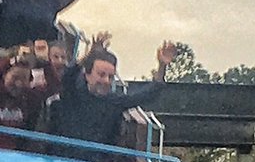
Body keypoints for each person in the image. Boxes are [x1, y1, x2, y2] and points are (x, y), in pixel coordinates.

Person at [40, 39, 177, 147]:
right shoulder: (72, 93)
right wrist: (90, 54)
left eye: (110, 77)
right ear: (87, 75)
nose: (106, 80)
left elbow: (147, 94)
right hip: (63, 161)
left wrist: (162, 66)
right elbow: (68, 76)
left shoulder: (114, 101)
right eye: (101, 74)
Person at [0, 50, 57, 149]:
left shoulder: (29, 97)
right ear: (4, 75)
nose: (18, 84)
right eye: (15, 77)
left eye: (23, 79)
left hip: (12, 154)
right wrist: (9, 62)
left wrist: (45, 63)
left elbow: (54, 87)